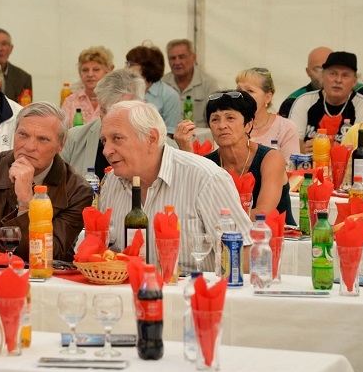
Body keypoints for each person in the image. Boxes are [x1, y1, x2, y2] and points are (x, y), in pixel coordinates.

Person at [99, 100, 251, 271]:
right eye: (104, 141)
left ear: (151, 139)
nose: (106, 150)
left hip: (191, 293)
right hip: (128, 292)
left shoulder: (205, 178)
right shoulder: (111, 182)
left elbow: (242, 254)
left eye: (117, 139)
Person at [0, 102, 92, 262]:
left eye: (43, 139)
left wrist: (26, 201)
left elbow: (50, 253)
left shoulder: (77, 191)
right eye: (23, 135)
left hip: (48, 280)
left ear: (61, 145)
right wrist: (3, 261)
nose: (29, 147)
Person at [177, 91, 293, 224]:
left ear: (248, 125)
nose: (222, 126)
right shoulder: (208, 164)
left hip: (280, 239)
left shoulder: (271, 158)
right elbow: (190, 210)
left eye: (230, 118)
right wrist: (186, 154)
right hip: (227, 239)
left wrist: (219, 218)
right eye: (215, 119)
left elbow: (262, 213)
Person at [62, 68, 147, 179]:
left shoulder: (159, 144)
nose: (109, 119)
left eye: (118, 112)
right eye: (105, 111)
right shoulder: (73, 138)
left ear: (140, 106)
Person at [288, 51, 363, 152]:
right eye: (333, 74)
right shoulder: (304, 101)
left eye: (345, 75)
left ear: (354, 82)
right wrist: (303, 149)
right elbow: (292, 141)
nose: (338, 80)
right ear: (322, 77)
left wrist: (328, 149)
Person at [235, 67, 299, 160]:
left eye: (250, 91)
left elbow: (291, 168)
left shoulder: (286, 127)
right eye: (238, 90)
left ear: (267, 98)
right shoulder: (229, 125)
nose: (242, 95)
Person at [125, 42, 181, 136]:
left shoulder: (169, 95)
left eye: (131, 64)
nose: (125, 68)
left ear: (146, 67)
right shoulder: (126, 90)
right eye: (126, 63)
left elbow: (170, 134)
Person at [161, 39, 219, 129]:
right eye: (172, 58)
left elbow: (215, 119)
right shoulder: (162, 83)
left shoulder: (208, 84)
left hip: (199, 139)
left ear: (194, 58)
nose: (177, 62)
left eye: (182, 57)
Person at [61, 46, 115, 125]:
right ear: (80, 73)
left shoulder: (115, 101)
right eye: (85, 70)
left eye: (96, 70)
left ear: (107, 72)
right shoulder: (71, 102)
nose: (90, 74)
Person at [278, 46, 332, 118]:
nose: (323, 74)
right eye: (318, 69)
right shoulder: (293, 101)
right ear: (308, 72)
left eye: (330, 70)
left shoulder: (350, 96)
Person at [0, 27, 32, 102]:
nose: (0, 48)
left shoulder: (23, 78)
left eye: (4, 44)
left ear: (11, 48)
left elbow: (25, 109)